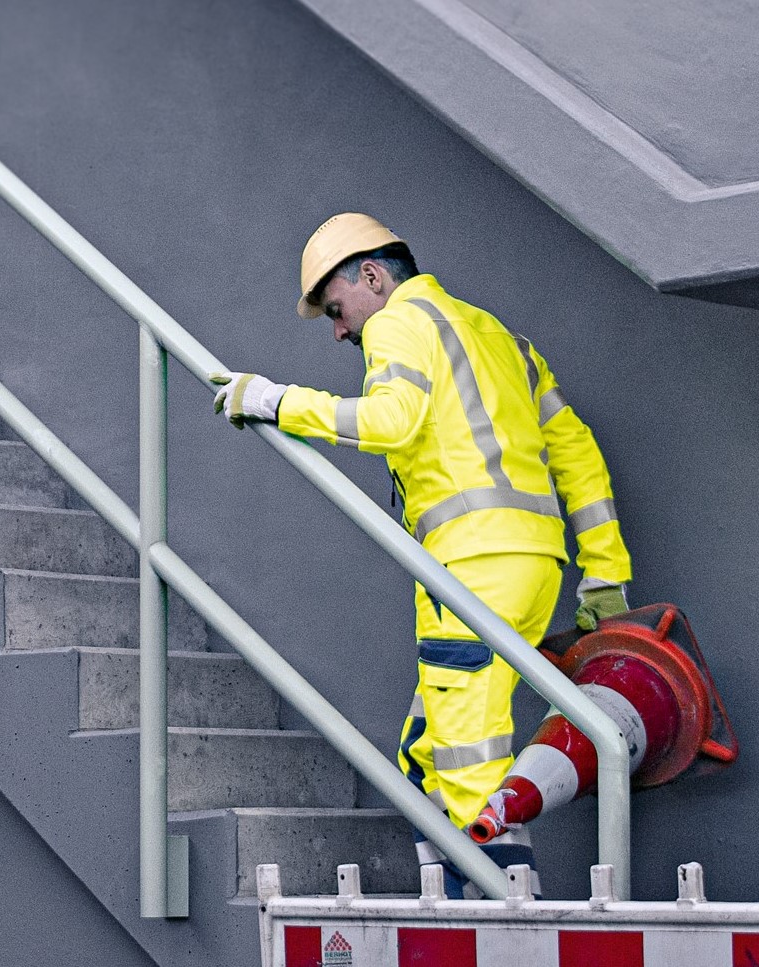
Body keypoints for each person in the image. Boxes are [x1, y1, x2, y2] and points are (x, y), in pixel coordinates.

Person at [210, 212, 632, 898]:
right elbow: (577, 450)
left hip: (470, 568)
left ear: (373, 276)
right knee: (429, 752)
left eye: (338, 310)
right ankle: (451, 914)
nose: (342, 331)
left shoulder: (400, 324)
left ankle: (508, 932)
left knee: (468, 772)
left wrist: (274, 400)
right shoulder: (499, 337)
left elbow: (389, 420)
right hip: (536, 571)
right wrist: (604, 572)